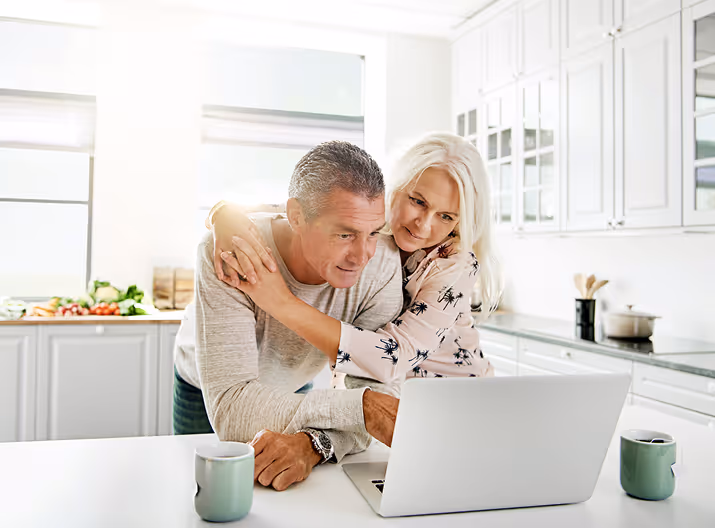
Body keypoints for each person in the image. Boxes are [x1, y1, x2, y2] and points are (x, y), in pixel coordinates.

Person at [173, 141, 404, 492]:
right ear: (296, 216)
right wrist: (362, 408)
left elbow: (379, 404)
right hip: (206, 389)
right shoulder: (232, 251)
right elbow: (232, 412)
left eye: (373, 232)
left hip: (296, 384)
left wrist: (315, 443)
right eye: (344, 234)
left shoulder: (383, 267)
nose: (363, 255)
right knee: (201, 494)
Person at [212, 131, 501, 389]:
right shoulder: (373, 222)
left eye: (446, 216)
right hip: (394, 401)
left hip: (461, 396)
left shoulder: (455, 264)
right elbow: (312, 210)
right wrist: (225, 214)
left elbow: (393, 357)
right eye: (418, 201)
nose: (423, 226)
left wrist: (280, 301)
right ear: (397, 187)